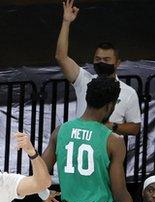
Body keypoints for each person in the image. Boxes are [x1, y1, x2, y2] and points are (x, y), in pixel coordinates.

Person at [55, 0, 141, 136]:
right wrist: (66, 22)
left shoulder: (128, 92)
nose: (101, 63)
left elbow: (135, 128)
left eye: (107, 60)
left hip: (107, 151)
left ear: (117, 63)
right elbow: (61, 57)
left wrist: (110, 126)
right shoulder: (83, 80)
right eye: (98, 59)